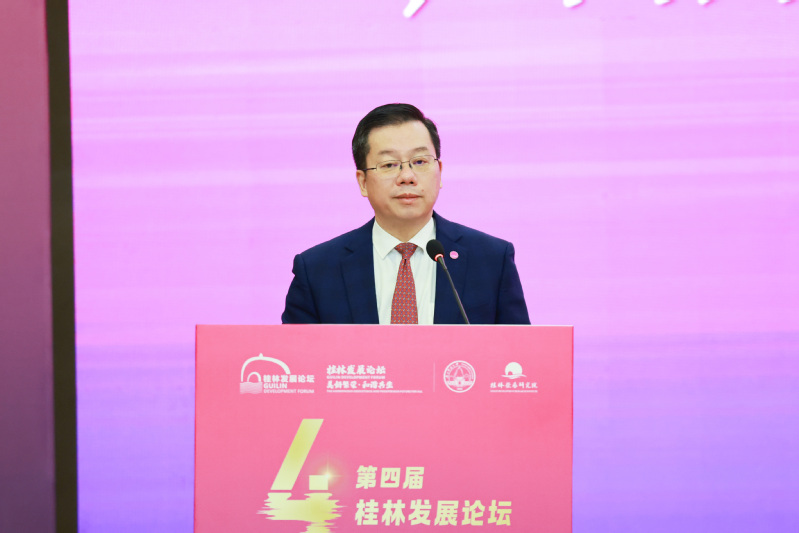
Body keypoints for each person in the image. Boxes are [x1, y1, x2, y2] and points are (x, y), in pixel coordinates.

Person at [282, 103, 529, 325]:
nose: (407, 177)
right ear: (363, 182)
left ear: (439, 171)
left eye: (420, 162)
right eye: (389, 165)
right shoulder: (317, 270)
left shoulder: (491, 260)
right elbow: (296, 358)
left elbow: (518, 355)